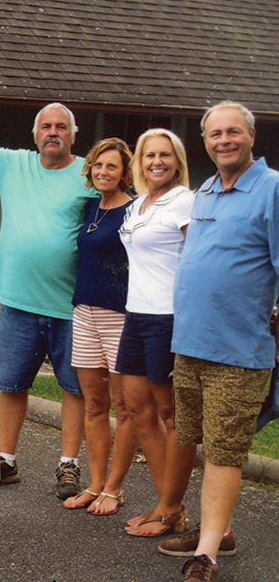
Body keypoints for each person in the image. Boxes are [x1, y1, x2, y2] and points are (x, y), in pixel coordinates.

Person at [0, 49, 97, 498]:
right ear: (35, 135)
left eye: (61, 127)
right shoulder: (13, 165)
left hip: (73, 306)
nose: (54, 132)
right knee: (11, 385)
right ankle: (5, 462)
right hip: (19, 300)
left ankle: (68, 466)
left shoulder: (92, 174)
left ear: (74, 135)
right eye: (46, 127)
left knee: (75, 390)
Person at [160, 101, 279, 582]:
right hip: (191, 345)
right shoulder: (206, 190)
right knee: (200, 442)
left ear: (252, 136)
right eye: (215, 134)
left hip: (238, 350)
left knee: (226, 451)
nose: (224, 140)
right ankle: (218, 530)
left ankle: (206, 556)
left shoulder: (272, 189)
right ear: (205, 141)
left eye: (233, 132)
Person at [118, 129, 196, 538]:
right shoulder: (139, 204)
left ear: (177, 160)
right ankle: (169, 502)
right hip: (137, 315)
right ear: (141, 161)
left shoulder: (185, 201)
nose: (157, 162)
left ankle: (171, 509)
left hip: (167, 317)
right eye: (150, 156)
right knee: (136, 409)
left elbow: (195, 260)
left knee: (172, 414)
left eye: (165, 155)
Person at [63, 138, 137, 515]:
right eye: (98, 165)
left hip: (120, 317)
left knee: (125, 407)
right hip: (85, 312)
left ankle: (114, 487)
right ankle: (94, 483)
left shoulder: (136, 210)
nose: (104, 172)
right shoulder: (92, 207)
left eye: (112, 166)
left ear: (125, 172)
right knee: (94, 404)